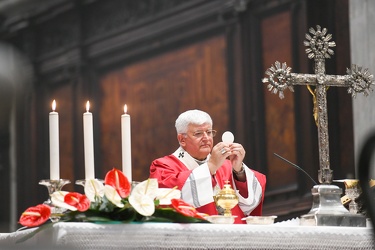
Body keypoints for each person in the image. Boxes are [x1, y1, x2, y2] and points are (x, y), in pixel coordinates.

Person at [149, 109, 266, 224]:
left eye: (209, 132)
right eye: (198, 133)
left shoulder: (226, 165)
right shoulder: (163, 166)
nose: (206, 138)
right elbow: (167, 199)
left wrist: (239, 171)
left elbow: (250, 204)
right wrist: (211, 166)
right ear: (182, 139)